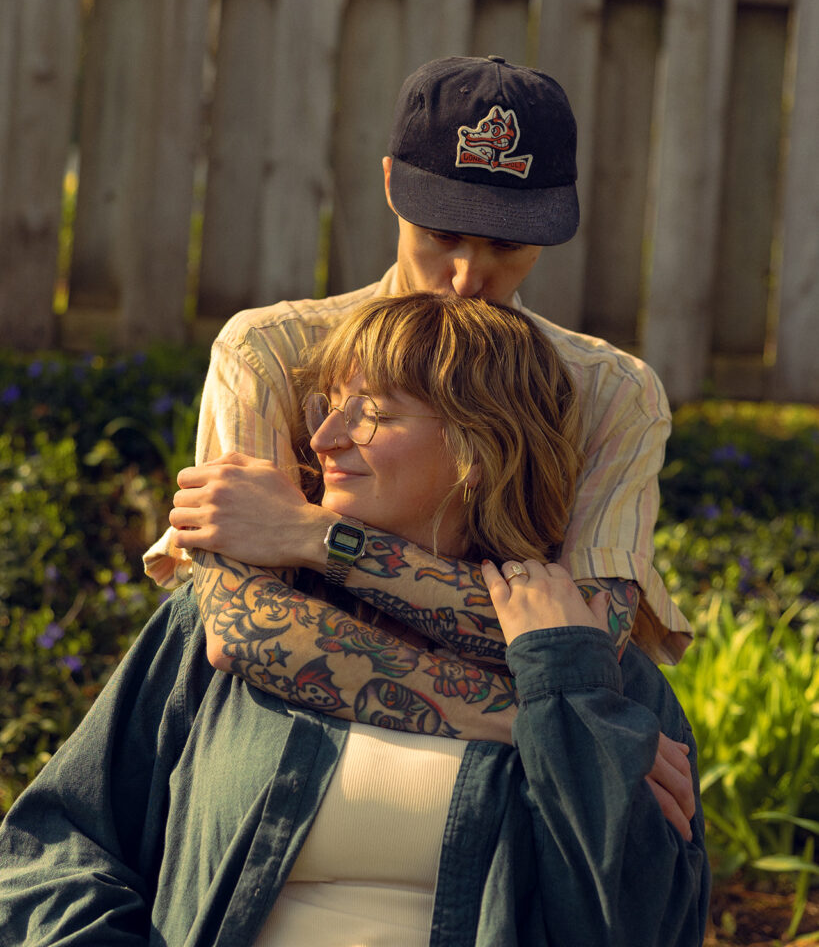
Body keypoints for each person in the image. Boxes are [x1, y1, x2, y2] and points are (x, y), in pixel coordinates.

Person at [0, 294, 709, 946]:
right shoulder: (234, 613)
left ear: (477, 447)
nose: (325, 439)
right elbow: (53, 848)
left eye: (372, 413)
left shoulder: (592, 675)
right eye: (327, 407)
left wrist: (570, 709)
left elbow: (636, 922)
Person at [154, 57, 694, 819]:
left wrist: (315, 539)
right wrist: (546, 727)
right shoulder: (271, 353)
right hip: (273, 780)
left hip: (510, 823)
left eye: (509, 245)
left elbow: (588, 644)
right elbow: (245, 628)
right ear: (389, 186)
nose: (469, 275)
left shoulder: (610, 392)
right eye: (442, 234)